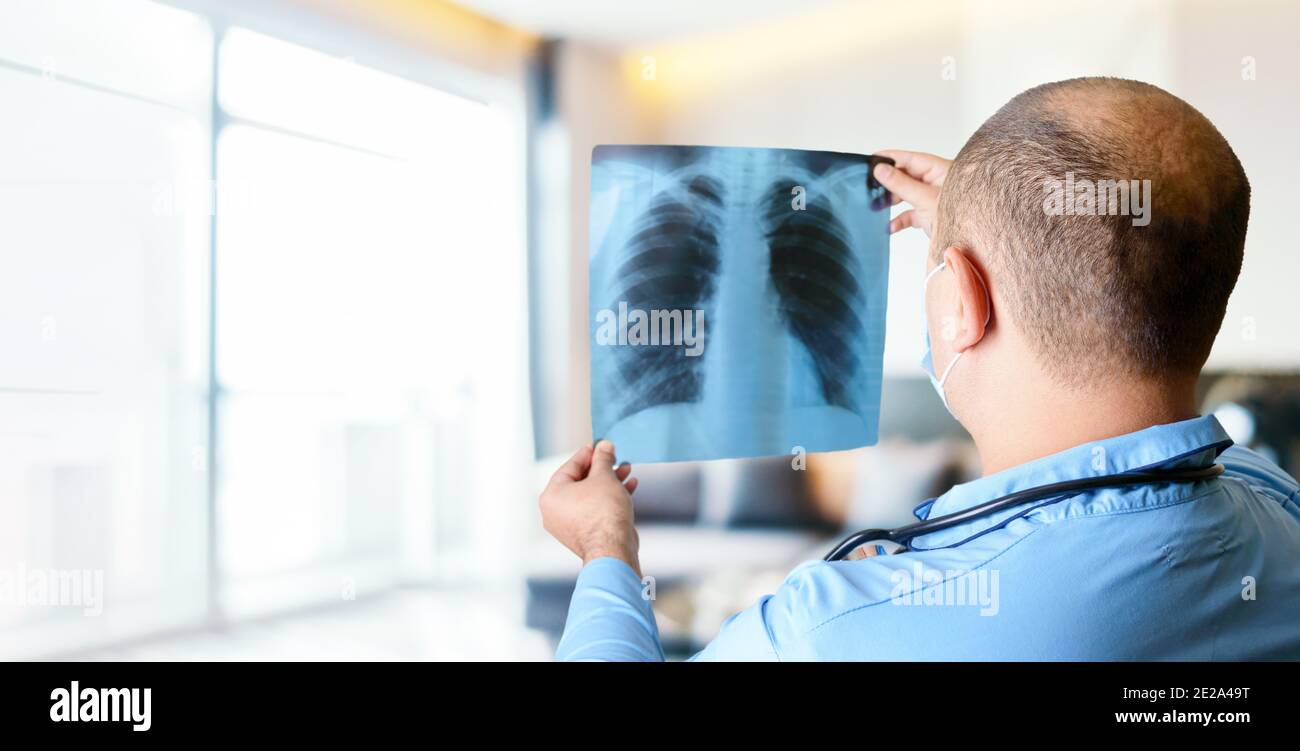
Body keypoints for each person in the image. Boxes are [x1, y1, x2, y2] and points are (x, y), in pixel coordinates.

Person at [537, 77, 1300, 660]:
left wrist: (608, 549)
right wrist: (980, 228)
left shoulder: (835, 624)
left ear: (960, 303)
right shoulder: (1278, 509)